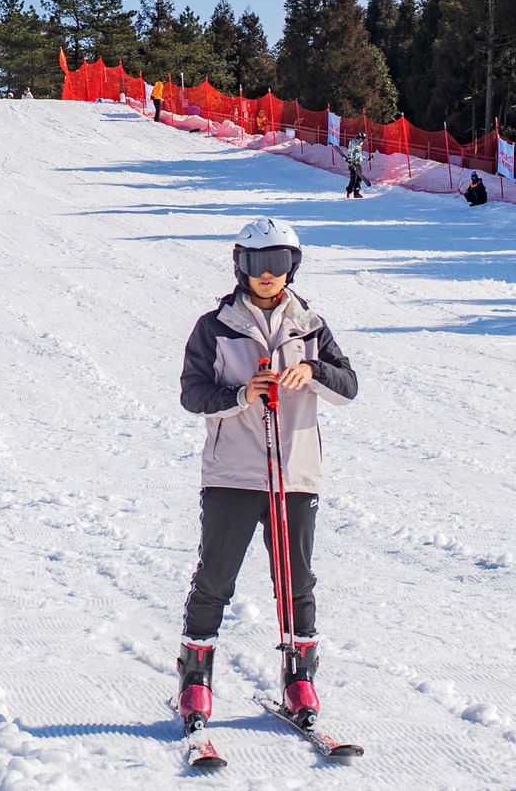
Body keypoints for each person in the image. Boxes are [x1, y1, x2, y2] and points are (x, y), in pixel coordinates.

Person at [176, 218, 358, 735]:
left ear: (292, 268)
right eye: (257, 264)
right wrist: (241, 395)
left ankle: (300, 679)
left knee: (296, 581)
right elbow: (192, 394)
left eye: (278, 264)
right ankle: (195, 678)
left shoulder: (312, 327)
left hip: (294, 475)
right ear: (241, 266)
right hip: (232, 473)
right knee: (215, 578)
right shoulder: (216, 327)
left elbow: (349, 387)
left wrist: (315, 371)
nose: (268, 274)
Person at [346, 131, 366, 198]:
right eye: (362, 139)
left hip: (358, 163)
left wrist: (365, 159)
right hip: (353, 163)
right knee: (353, 179)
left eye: (363, 139)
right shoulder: (353, 143)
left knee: (359, 178)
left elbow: (359, 154)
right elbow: (350, 152)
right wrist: (350, 161)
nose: (363, 140)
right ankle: (349, 191)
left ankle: (356, 193)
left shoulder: (360, 144)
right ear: (359, 137)